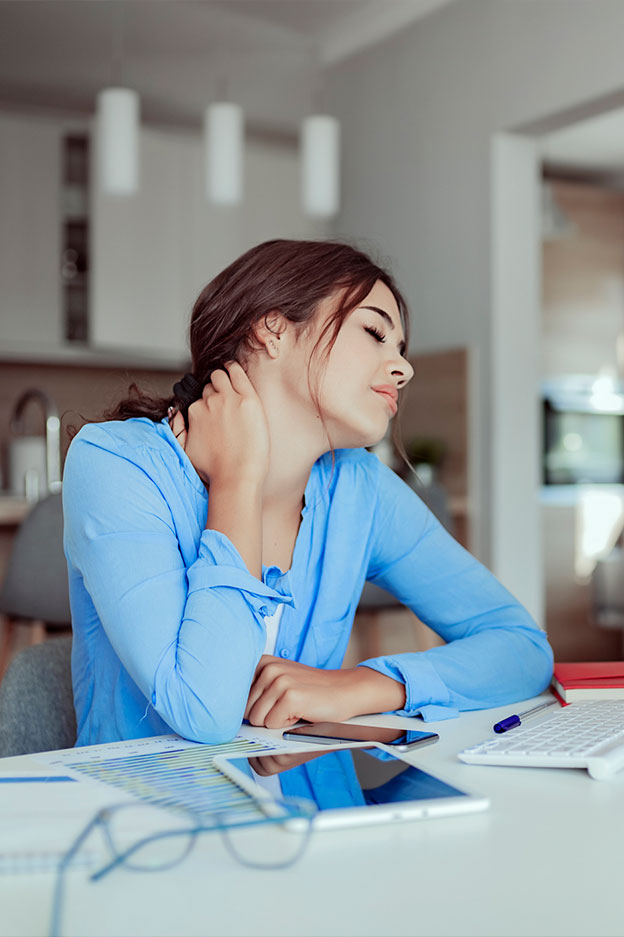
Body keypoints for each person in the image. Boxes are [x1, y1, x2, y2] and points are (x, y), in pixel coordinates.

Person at [62, 239, 553, 747]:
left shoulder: (359, 487)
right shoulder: (118, 464)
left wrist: (362, 686)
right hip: (142, 813)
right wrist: (237, 481)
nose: (403, 368)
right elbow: (203, 711)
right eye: (374, 332)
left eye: (400, 350)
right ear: (273, 330)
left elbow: (522, 648)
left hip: (313, 808)